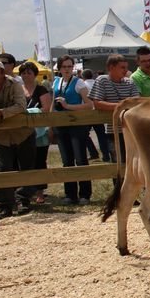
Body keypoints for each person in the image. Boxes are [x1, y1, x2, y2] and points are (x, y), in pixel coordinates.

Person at [0, 59, 37, 219]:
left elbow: (20, 106)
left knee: (25, 168)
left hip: (22, 133)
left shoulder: (15, 84)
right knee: (4, 169)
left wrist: (1, 113)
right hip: (2, 136)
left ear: (2, 72)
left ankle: (23, 201)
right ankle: (5, 206)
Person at [52, 55, 94, 205]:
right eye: (64, 67)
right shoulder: (56, 82)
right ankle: (70, 194)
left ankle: (85, 194)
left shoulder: (79, 83)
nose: (67, 69)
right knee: (66, 161)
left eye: (70, 66)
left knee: (81, 159)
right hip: (61, 125)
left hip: (77, 125)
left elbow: (89, 105)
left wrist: (68, 106)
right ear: (59, 68)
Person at [88, 54, 140, 163]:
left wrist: (118, 106)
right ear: (111, 67)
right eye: (122, 67)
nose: (126, 70)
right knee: (117, 162)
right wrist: (123, 106)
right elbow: (97, 103)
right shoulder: (102, 80)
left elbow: (136, 102)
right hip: (112, 131)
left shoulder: (129, 82)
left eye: (126, 67)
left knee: (132, 162)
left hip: (131, 130)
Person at [19, 61, 52, 204]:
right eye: (23, 73)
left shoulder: (41, 90)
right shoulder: (18, 90)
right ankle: (26, 192)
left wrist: (29, 112)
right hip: (22, 132)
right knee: (24, 162)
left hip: (40, 133)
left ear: (35, 75)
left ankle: (40, 192)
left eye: (29, 72)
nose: (26, 75)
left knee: (39, 161)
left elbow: (46, 108)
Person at [82, 69, 110, 162]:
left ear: (83, 76)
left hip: (88, 113)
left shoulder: (83, 85)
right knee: (101, 136)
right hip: (98, 112)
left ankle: (93, 152)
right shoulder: (97, 83)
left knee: (84, 134)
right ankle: (106, 155)